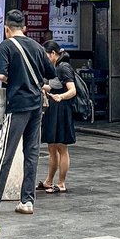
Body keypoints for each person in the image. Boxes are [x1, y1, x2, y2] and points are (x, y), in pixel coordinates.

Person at [0, 9, 57, 217]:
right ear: (25, 27)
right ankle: (27, 201)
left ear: (6, 29)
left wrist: (16, 78)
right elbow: (51, 73)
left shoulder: (6, 45)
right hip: (36, 106)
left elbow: (2, 75)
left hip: (17, 106)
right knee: (31, 154)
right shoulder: (36, 46)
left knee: (4, 153)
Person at [40, 40, 76, 193]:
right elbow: (52, 86)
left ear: (53, 54)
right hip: (52, 108)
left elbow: (72, 90)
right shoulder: (54, 68)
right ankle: (49, 181)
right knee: (51, 146)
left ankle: (61, 183)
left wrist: (61, 97)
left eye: (46, 55)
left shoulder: (64, 67)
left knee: (61, 147)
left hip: (61, 109)